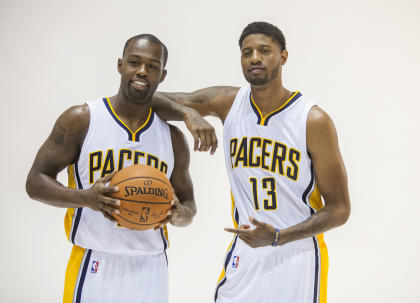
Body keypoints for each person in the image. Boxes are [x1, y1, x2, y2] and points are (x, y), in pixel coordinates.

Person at [154, 21, 351, 303]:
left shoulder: (312, 120)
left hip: (296, 255)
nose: (254, 58)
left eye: (264, 50)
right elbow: (155, 100)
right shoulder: (228, 101)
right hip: (245, 248)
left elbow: (340, 209)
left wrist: (278, 237)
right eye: (247, 52)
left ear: (283, 56)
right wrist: (189, 114)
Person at [26, 34, 200, 303]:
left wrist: (178, 214)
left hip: (152, 267)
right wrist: (86, 199)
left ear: (162, 75)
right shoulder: (82, 119)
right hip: (95, 262)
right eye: (135, 62)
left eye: (152, 66)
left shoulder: (173, 138)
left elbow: (189, 205)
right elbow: (35, 181)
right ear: (120, 65)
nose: (142, 71)